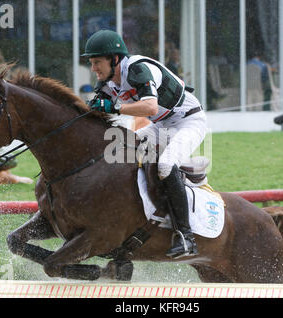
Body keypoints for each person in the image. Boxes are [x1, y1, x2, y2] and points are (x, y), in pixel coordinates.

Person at [82, 30, 206, 258]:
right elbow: (95, 112)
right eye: (91, 63)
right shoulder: (109, 82)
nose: (93, 69)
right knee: (119, 149)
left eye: (97, 62)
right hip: (161, 125)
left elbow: (149, 107)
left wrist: (114, 108)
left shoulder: (138, 69)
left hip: (189, 121)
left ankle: (186, 237)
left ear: (115, 59)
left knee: (166, 165)